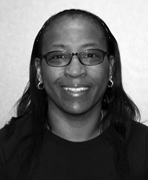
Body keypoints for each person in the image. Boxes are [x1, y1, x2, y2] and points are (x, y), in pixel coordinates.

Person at [0, 9, 148, 180]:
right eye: (59, 56)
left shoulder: (143, 149)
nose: (75, 70)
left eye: (91, 55)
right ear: (39, 71)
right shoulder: (5, 152)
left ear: (111, 69)